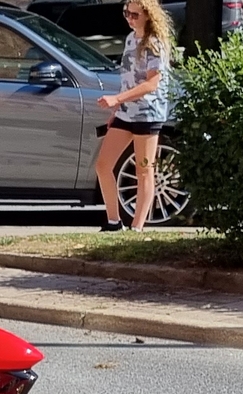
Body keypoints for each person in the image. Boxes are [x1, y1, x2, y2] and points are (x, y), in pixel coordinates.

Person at [93, 0, 172, 233]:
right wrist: (117, 109)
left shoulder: (155, 43)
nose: (129, 18)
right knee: (103, 165)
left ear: (148, 15)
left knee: (144, 170)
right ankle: (113, 222)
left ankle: (137, 227)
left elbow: (152, 83)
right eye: (126, 13)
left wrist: (117, 100)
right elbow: (128, 79)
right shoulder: (130, 39)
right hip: (127, 112)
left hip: (148, 113)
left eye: (135, 14)